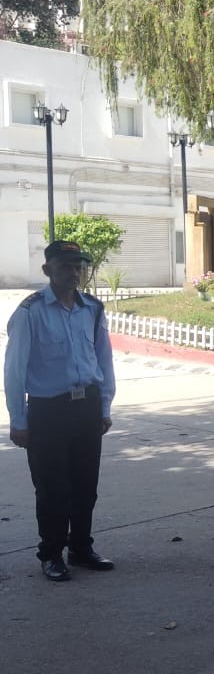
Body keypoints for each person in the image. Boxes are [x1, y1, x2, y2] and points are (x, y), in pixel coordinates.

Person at [4, 240, 117, 582]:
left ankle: (81, 548)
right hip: (48, 412)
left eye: (79, 266)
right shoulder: (30, 312)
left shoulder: (92, 309)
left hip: (87, 408)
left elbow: (104, 359)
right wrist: (18, 421)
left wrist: (104, 405)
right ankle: (51, 554)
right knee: (52, 488)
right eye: (66, 265)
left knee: (85, 485)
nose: (74, 272)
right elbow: (14, 370)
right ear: (47, 270)